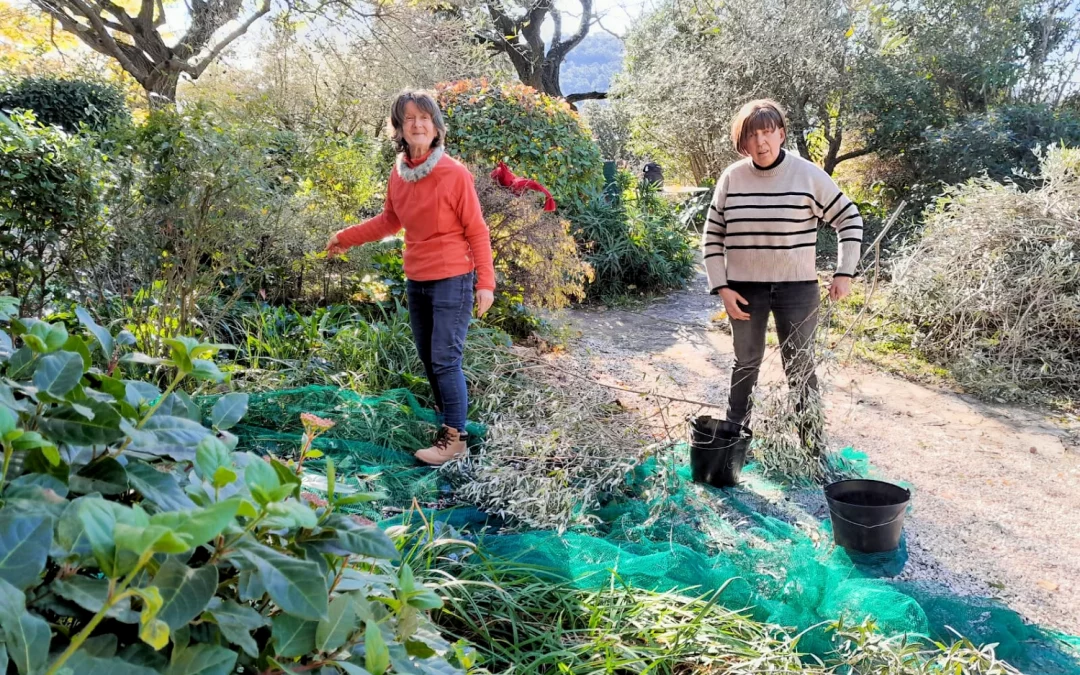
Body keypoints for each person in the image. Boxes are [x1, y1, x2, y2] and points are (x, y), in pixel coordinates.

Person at [327, 89, 495, 466]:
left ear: (436, 127)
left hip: (452, 278)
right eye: (409, 119)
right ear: (399, 128)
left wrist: (485, 283)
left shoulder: (454, 173)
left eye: (424, 118)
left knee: (445, 359)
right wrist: (344, 237)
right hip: (417, 279)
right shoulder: (400, 173)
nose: (417, 125)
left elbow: (477, 229)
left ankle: (455, 440)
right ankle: (447, 424)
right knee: (429, 358)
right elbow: (390, 221)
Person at [703, 99, 863, 452]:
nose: (760, 142)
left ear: (781, 134)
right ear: (742, 141)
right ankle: (732, 447)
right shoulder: (732, 178)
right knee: (745, 365)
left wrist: (844, 272)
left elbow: (849, 218)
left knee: (800, 367)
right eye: (752, 135)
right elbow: (712, 235)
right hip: (744, 290)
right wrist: (722, 287)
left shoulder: (808, 175)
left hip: (797, 289)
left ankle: (813, 450)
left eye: (767, 132)